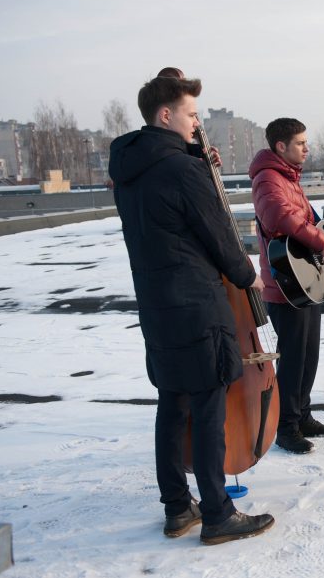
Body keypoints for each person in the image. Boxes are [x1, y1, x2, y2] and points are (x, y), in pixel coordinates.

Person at [109, 74, 273, 545]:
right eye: (192, 115)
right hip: (199, 306)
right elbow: (215, 232)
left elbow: (169, 222)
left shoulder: (130, 171)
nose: (197, 124)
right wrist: (247, 276)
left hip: (159, 308)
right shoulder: (181, 170)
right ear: (167, 115)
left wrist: (196, 159)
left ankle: (178, 507)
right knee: (207, 411)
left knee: (172, 406)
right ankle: (219, 515)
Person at [250, 118, 324, 454]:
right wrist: (320, 242)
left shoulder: (289, 179)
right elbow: (279, 219)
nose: (307, 148)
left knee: (308, 355)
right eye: (301, 143)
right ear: (281, 147)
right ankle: (286, 428)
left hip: (304, 282)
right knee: (293, 359)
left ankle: (302, 415)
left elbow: (313, 226)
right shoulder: (268, 179)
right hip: (284, 286)